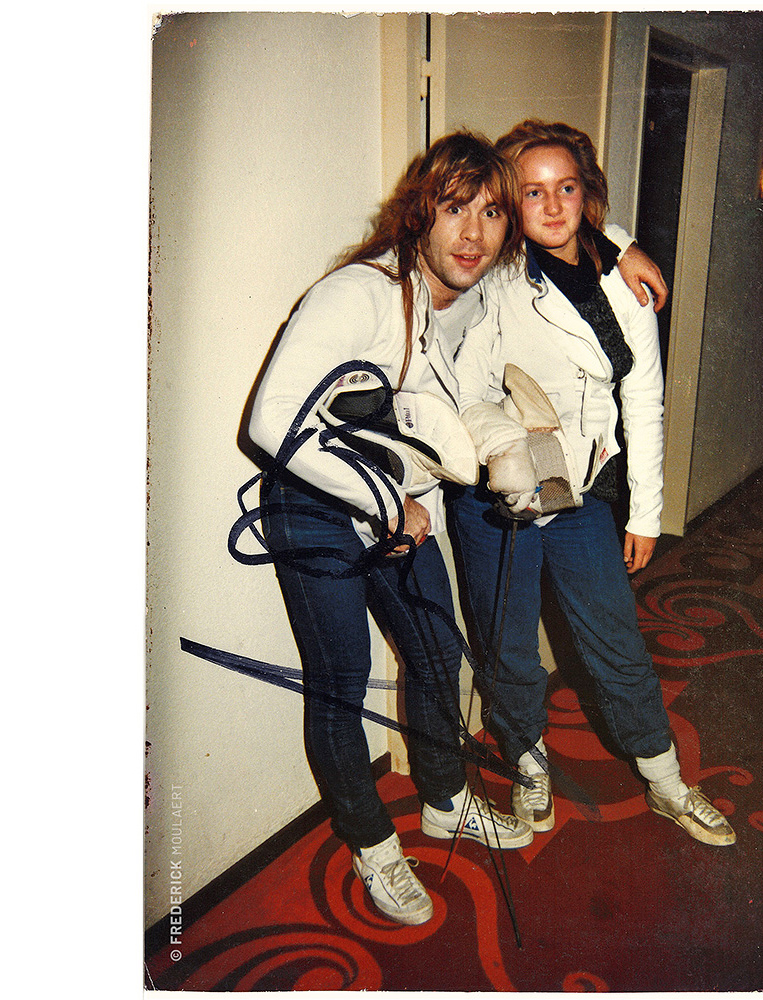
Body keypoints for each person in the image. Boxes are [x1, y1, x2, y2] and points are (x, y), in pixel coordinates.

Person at [247, 132, 536, 927]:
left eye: (491, 214)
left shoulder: (451, 302)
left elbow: (411, 432)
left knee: (440, 654)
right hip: (312, 505)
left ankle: (445, 800)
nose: (473, 234)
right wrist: (383, 503)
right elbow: (272, 422)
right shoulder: (358, 292)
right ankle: (374, 847)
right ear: (419, 215)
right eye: (455, 210)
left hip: (388, 506)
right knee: (340, 684)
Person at [450, 120, 736, 847]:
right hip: (499, 495)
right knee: (508, 645)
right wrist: (506, 443)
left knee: (615, 638)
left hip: (583, 489)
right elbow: (469, 386)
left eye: (567, 189)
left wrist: (647, 513)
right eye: (532, 192)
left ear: (589, 196)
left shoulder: (623, 275)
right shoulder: (497, 279)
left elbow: (641, 398)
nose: (551, 207)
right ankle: (528, 762)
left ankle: (668, 778)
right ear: (511, 202)